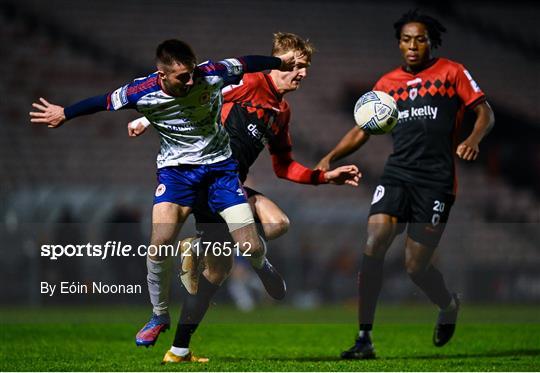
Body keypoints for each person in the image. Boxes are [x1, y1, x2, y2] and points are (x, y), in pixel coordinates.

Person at [30, 39, 299, 362]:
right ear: (162, 75)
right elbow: (101, 101)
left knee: (250, 246)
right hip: (176, 175)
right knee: (159, 241)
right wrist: (65, 113)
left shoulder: (210, 73)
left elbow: (245, 62)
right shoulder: (139, 91)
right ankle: (159, 315)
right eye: (182, 77)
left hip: (220, 172)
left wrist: (278, 63)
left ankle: (261, 265)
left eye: (191, 74)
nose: (190, 81)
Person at [129, 32, 361, 363]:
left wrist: (324, 177)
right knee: (259, 233)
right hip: (201, 179)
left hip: (228, 188)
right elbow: (194, 92)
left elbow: (284, 167)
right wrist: (143, 118)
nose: (303, 73)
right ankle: (221, 253)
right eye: (297, 65)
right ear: (278, 62)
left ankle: (179, 349)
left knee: (224, 266)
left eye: (306, 66)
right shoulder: (249, 82)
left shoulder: (281, 111)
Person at [317, 10, 495, 359]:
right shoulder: (387, 84)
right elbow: (363, 127)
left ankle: (447, 303)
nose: (413, 45)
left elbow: (485, 111)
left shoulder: (451, 72)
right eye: (406, 39)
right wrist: (331, 157)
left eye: (420, 39)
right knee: (375, 238)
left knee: (416, 267)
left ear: (431, 42)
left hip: (436, 181)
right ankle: (364, 337)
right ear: (399, 43)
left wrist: (473, 138)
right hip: (397, 173)